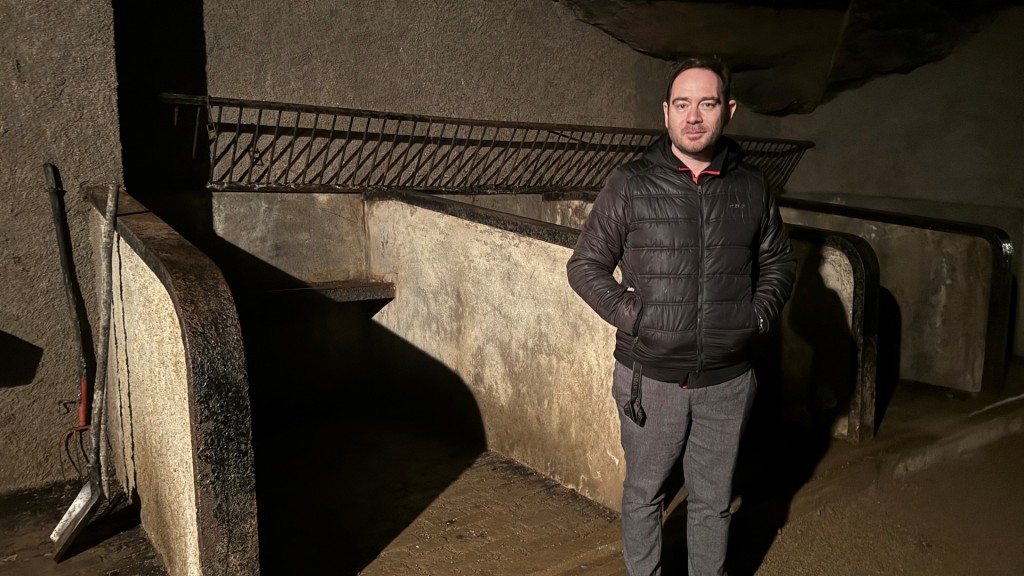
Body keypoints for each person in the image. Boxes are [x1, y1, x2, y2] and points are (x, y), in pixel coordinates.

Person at [566, 56, 796, 576]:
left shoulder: (752, 187)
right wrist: (637, 316)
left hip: (728, 382)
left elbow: (779, 260)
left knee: (713, 502)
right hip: (651, 379)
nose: (695, 116)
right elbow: (585, 266)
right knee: (645, 495)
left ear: (728, 111)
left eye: (708, 103)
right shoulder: (629, 183)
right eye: (683, 104)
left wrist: (756, 316)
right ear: (665, 113)